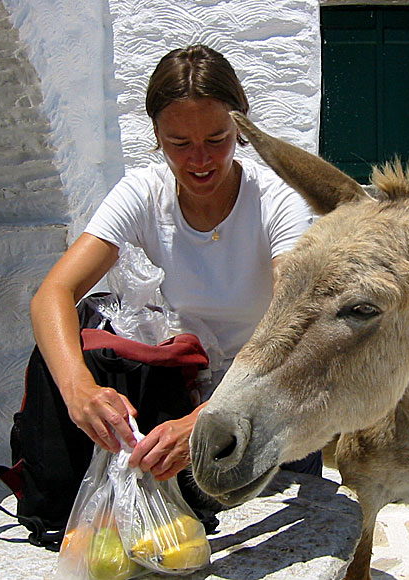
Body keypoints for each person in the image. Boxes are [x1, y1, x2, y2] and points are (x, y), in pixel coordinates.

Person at [29, 43, 320, 497]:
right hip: (181, 402)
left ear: (241, 126)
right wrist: (79, 390)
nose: (199, 161)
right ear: (157, 135)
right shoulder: (144, 194)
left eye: (217, 140)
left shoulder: (278, 203)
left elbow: (298, 324)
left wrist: (210, 418)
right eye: (179, 144)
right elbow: (54, 294)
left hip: (271, 399)